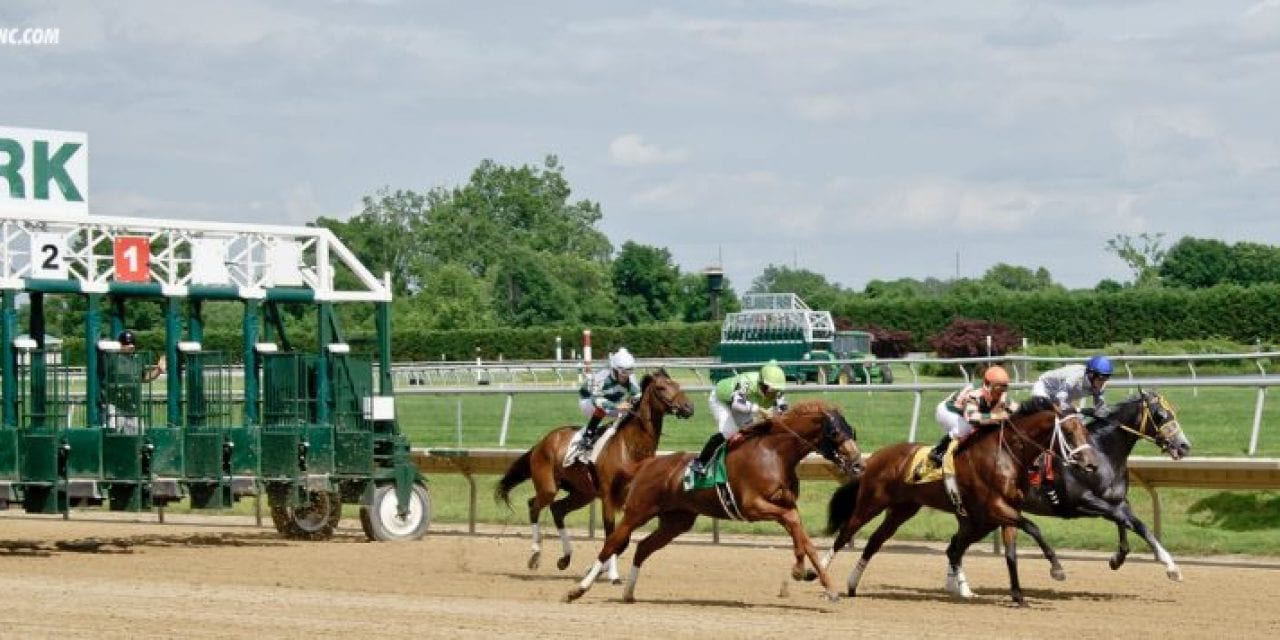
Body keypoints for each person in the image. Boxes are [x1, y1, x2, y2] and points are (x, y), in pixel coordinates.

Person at [691, 360, 789, 475]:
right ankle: (700, 462)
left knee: (753, 430)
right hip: (722, 400)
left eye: (777, 391)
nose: (774, 394)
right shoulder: (747, 382)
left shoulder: (776, 389)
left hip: (745, 404)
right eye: (772, 390)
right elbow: (737, 404)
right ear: (762, 384)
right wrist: (761, 410)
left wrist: (779, 415)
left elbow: (783, 408)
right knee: (728, 431)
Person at [927, 365, 1019, 468]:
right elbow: (972, 418)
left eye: (1004, 389)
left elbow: (1018, 410)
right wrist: (997, 416)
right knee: (965, 428)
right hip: (948, 411)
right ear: (987, 385)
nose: (1000, 394)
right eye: (997, 389)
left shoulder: (1002, 395)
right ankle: (937, 451)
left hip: (965, 414)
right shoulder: (974, 393)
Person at [573, 348, 642, 461]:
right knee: (603, 408)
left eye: (629, 372)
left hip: (611, 401)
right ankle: (587, 437)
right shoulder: (601, 376)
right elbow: (597, 400)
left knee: (630, 411)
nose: (626, 376)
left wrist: (631, 402)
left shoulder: (629, 375)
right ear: (614, 370)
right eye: (623, 373)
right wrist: (616, 406)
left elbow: (638, 395)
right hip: (588, 401)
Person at [102, 330, 165, 434]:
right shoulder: (112, 357)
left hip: (133, 407)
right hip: (114, 405)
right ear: (120, 344)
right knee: (112, 434)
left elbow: (144, 378)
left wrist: (158, 370)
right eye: (127, 343)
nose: (130, 346)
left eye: (132, 343)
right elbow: (103, 344)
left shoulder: (137, 359)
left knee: (137, 436)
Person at [1032, 355, 1113, 413]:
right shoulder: (1076, 376)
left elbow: (1100, 409)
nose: (1103, 382)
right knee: (1049, 417)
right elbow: (1059, 403)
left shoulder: (1100, 385)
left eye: (1107, 377)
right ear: (1091, 374)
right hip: (1044, 389)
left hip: (1064, 398)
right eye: (1101, 377)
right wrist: (1080, 410)